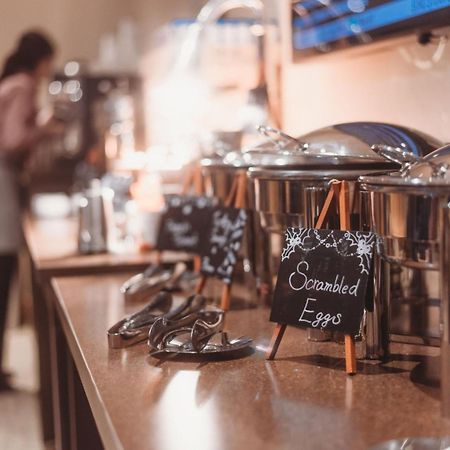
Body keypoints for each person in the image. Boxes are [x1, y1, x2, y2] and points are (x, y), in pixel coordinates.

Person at [0, 30, 61, 390]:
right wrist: (44, 128)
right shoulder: (23, 85)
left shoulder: (10, 81)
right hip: (2, 183)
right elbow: (11, 140)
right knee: (3, 270)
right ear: (41, 60)